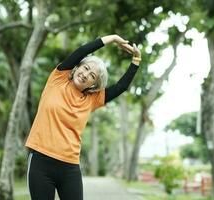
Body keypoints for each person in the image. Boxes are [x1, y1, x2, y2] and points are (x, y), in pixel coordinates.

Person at [25, 34, 141, 200]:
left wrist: (136, 60)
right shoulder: (58, 79)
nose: (86, 74)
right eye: (85, 68)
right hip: (40, 162)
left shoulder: (92, 100)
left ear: (93, 85)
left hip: (70, 166)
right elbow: (82, 51)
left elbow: (121, 87)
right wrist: (113, 38)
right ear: (77, 67)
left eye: (92, 76)